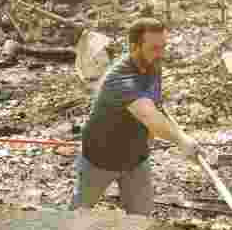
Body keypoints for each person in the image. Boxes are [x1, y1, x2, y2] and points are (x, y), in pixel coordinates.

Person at [72, 18, 202, 215]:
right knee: (79, 214)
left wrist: (182, 136)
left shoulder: (152, 66)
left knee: (141, 218)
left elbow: (156, 108)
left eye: (163, 47)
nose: (161, 53)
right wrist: (180, 140)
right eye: (154, 48)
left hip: (136, 158)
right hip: (100, 158)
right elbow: (150, 117)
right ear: (134, 47)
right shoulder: (120, 78)